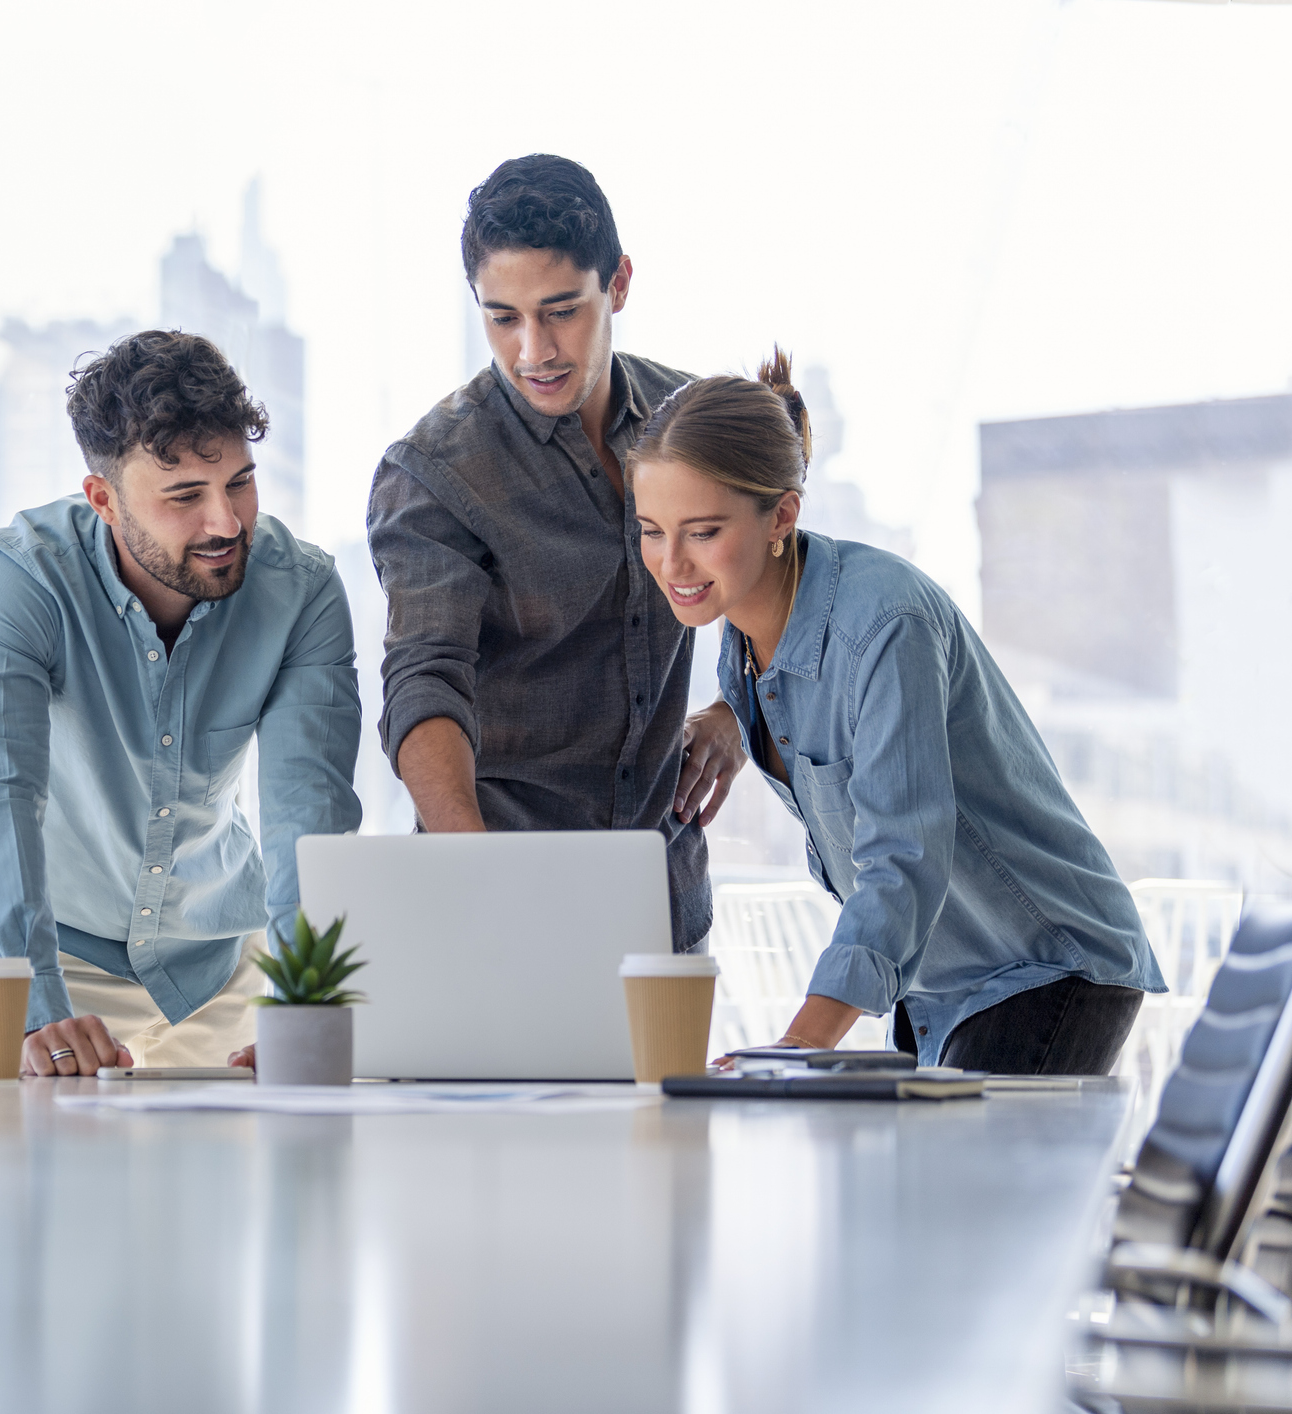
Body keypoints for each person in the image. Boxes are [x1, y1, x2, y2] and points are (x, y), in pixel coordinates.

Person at [629, 350, 1164, 1073]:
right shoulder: (743, 633)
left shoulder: (886, 622)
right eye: (651, 530)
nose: (671, 564)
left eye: (701, 531)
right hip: (937, 985)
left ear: (781, 513)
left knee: (963, 1188)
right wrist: (731, 711)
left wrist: (798, 1045)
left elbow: (901, 857)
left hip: (1043, 965)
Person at [0, 330, 362, 1078]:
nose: (226, 523)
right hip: (64, 968)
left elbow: (308, 813)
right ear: (102, 498)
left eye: (238, 482)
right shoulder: (16, 580)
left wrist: (305, 1003)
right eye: (184, 497)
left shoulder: (301, 592)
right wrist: (35, 1013)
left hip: (223, 966)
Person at [366, 153, 746, 952]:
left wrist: (733, 709)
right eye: (501, 317)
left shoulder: (695, 424)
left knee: (670, 1086)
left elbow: (776, 578)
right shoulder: (436, 472)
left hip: (663, 903)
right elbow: (423, 679)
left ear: (619, 284)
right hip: (496, 902)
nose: (532, 349)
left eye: (560, 309)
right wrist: (479, 878)